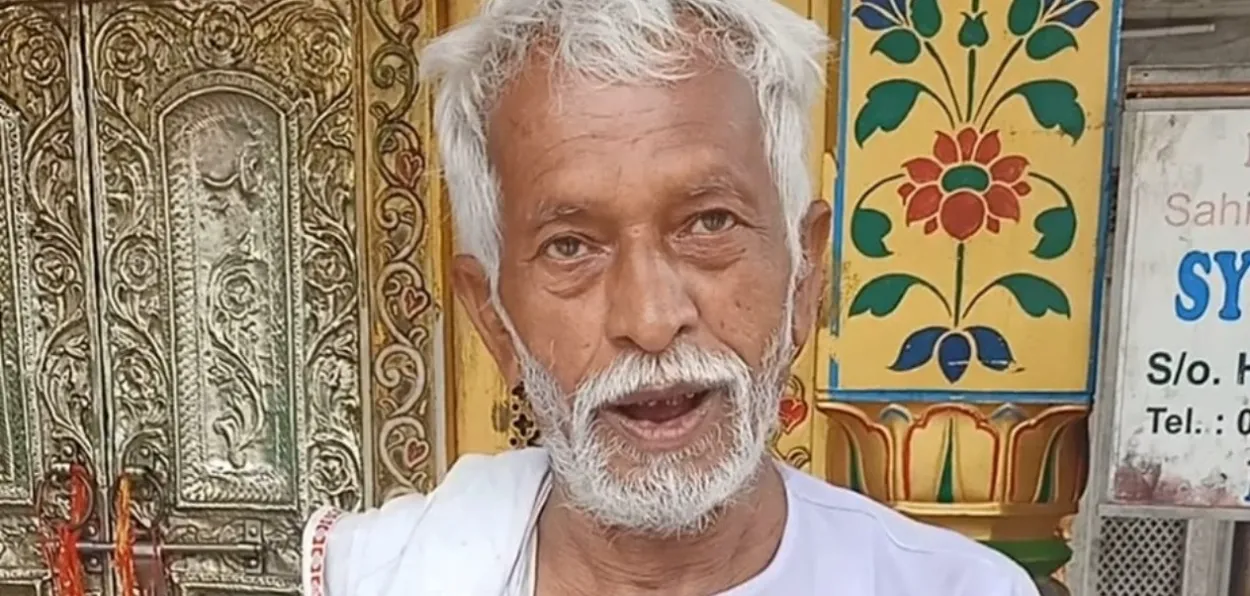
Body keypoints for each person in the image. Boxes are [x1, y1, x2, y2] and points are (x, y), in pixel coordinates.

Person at [300, 1, 1041, 594]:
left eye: (709, 223)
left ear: (806, 275)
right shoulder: (384, 576)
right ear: (494, 320)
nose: (651, 321)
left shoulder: (953, 587)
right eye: (570, 246)